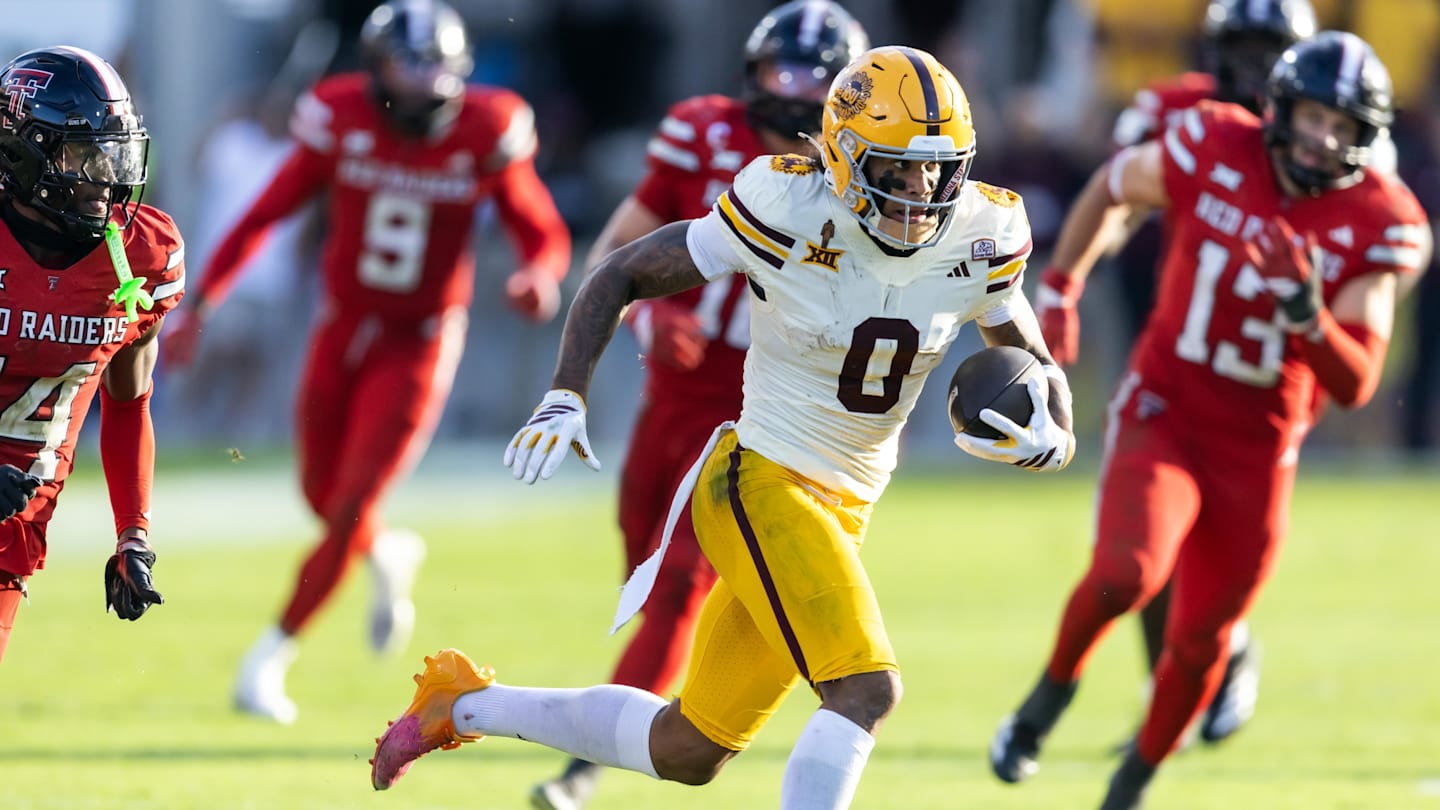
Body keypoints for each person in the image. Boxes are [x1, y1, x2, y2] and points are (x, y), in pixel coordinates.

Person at [369, 46, 1075, 809]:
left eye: (936, 171)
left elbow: (1027, 353)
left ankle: (462, 705)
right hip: (761, 483)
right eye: (897, 171)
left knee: (687, 748)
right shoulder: (788, 206)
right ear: (844, 157)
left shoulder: (983, 230)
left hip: (845, 509)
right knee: (866, 689)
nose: (920, 193)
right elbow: (622, 271)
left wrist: (1053, 430)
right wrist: (566, 392)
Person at [990, 32, 1430, 810]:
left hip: (1259, 450)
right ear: (1280, 111)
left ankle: (1130, 785)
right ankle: (1046, 700)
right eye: (1312, 117)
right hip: (1168, 406)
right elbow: (1112, 186)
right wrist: (1060, 288)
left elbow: (1357, 381)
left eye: (1341, 127)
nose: (1322, 140)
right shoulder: (1213, 140)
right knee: (1127, 572)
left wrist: (1307, 313)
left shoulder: (1381, 217)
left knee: (1202, 644)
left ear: (1366, 138)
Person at [161, 0, 572, 724]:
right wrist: (200, 305)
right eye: (408, 66)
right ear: (377, 69)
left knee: (351, 502)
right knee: (319, 491)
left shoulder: (486, 127)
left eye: (435, 67)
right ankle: (386, 554)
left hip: (421, 340)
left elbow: (540, 227)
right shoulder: (339, 115)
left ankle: (270, 656)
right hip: (342, 326)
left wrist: (539, 272)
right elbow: (265, 212)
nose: (422, 83)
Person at [528, 3, 869, 808]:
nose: (796, 90)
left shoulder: (864, 175)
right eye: (783, 71)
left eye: (815, 77)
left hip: (763, 410)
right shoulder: (701, 130)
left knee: (678, 585)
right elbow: (620, 249)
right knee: (641, 568)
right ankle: (615, 716)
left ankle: (582, 773)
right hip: (671, 395)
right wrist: (654, 317)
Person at [1039, 0, 1317, 749]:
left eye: (1270, 50)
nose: (1255, 67)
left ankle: (1224, 650)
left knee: (1215, 538)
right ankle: (1178, 685)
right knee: (1143, 534)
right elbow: (1121, 197)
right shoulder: (1181, 112)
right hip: (1179, 335)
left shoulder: (1327, 131)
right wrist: (1069, 279)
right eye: (1243, 48)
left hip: (1276, 361)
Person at [0, 46, 182, 662]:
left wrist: (133, 533)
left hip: (12, 534)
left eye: (113, 153)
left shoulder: (141, 257)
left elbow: (129, 403)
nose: (106, 178)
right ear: (25, 150)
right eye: (84, 155)